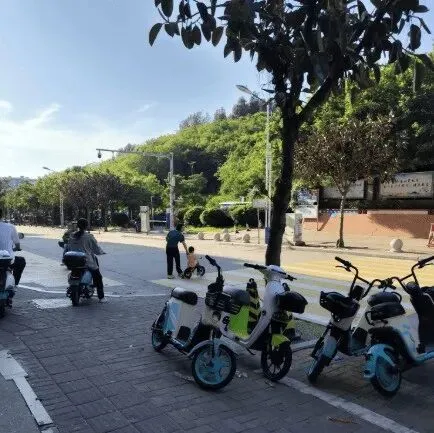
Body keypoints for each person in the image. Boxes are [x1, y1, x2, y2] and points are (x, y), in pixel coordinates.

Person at [67, 218, 107, 302]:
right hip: (86, 262)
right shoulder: (89, 236)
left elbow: (68, 247)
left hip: (72, 262)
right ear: (86, 226)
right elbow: (96, 248)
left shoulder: (72, 235)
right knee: (98, 277)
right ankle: (101, 297)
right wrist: (101, 252)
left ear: (77, 226)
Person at [0, 209, 26, 304]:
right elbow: (17, 244)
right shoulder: (10, 227)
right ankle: (15, 286)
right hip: (8, 260)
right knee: (21, 261)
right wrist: (16, 248)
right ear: (2, 215)